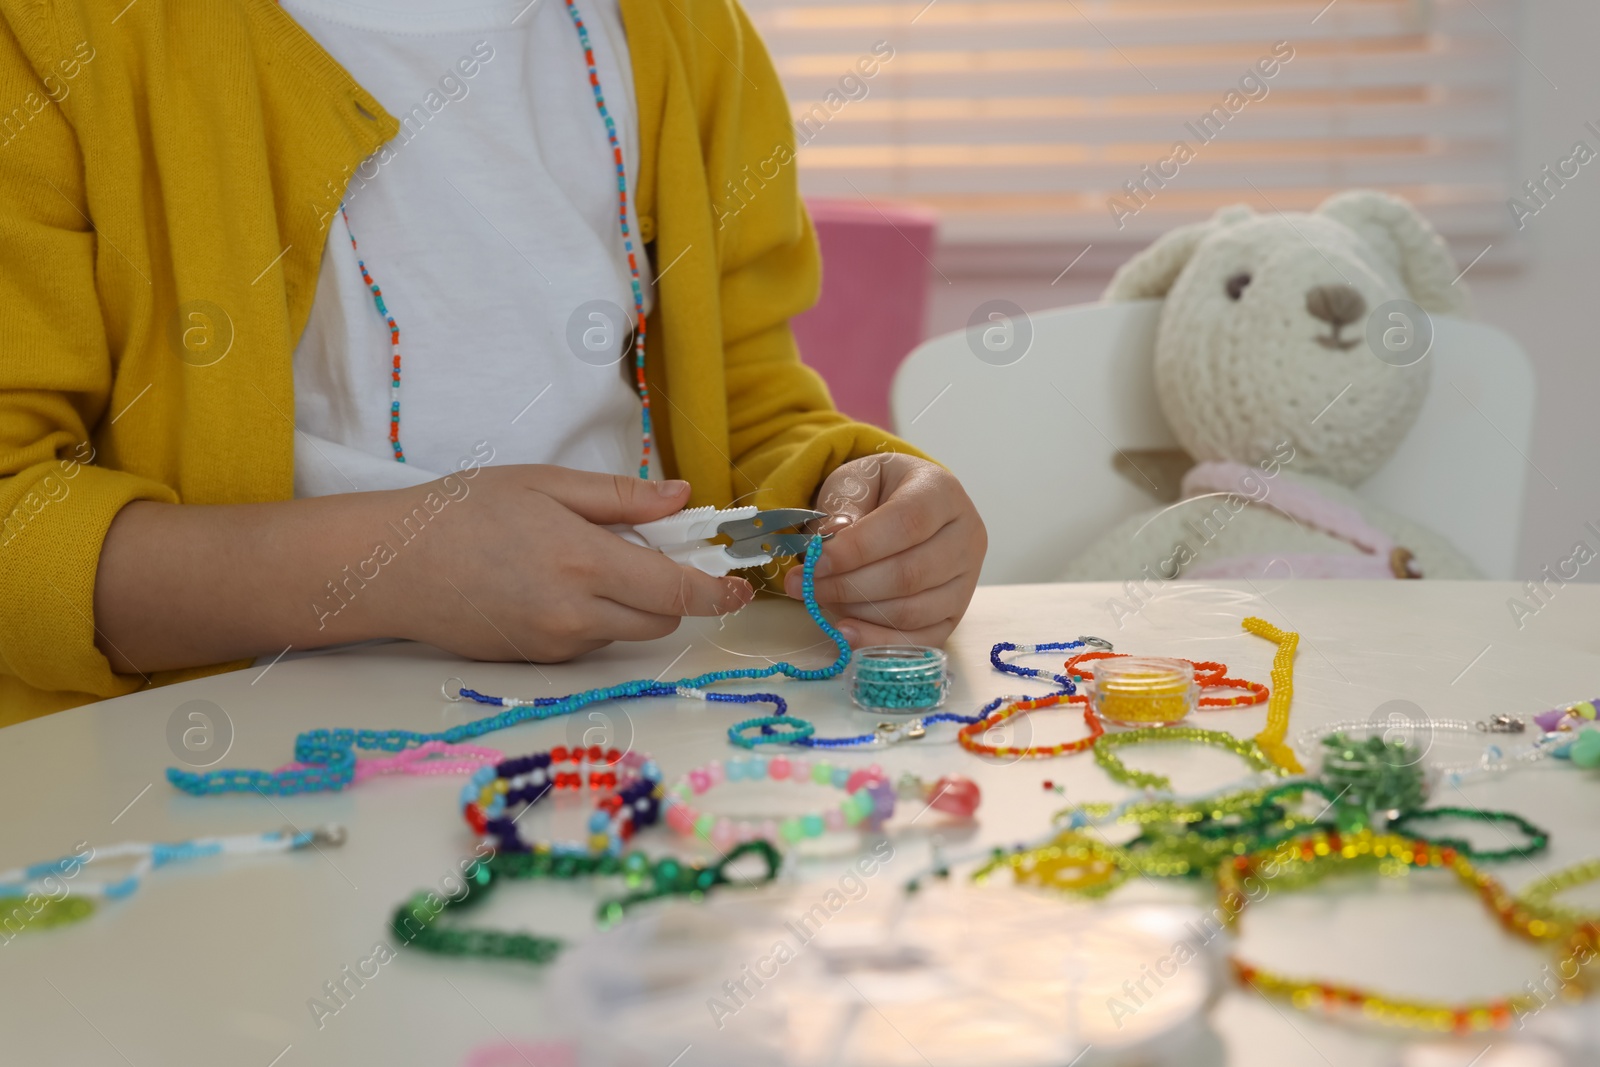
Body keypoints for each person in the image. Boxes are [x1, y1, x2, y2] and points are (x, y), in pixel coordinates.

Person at [0, 0, 986, 724]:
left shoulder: (687, 35)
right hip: (208, 773)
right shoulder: (57, 36)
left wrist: (845, 509)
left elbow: (748, 418)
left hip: (650, 746)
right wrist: (398, 566)